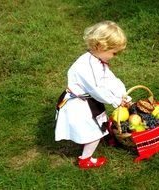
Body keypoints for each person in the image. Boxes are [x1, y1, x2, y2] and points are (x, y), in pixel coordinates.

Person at [54, 21, 129, 169]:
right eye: (114, 53)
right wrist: (115, 101)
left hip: (87, 100)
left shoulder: (97, 60)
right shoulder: (86, 66)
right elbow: (97, 89)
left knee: (96, 123)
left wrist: (123, 95)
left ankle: (94, 137)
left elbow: (109, 79)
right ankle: (85, 159)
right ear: (101, 47)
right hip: (78, 104)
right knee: (93, 132)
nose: (114, 56)